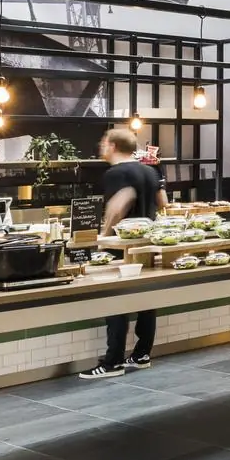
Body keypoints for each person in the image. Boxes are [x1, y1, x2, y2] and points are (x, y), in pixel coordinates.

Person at [81, 127, 164, 379]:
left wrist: (104, 236)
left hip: (122, 246)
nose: (101, 147)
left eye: (103, 143)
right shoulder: (149, 170)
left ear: (112, 146)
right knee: (146, 300)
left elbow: (121, 202)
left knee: (116, 300)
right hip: (147, 244)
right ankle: (141, 354)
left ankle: (112, 362)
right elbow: (163, 202)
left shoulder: (116, 172)